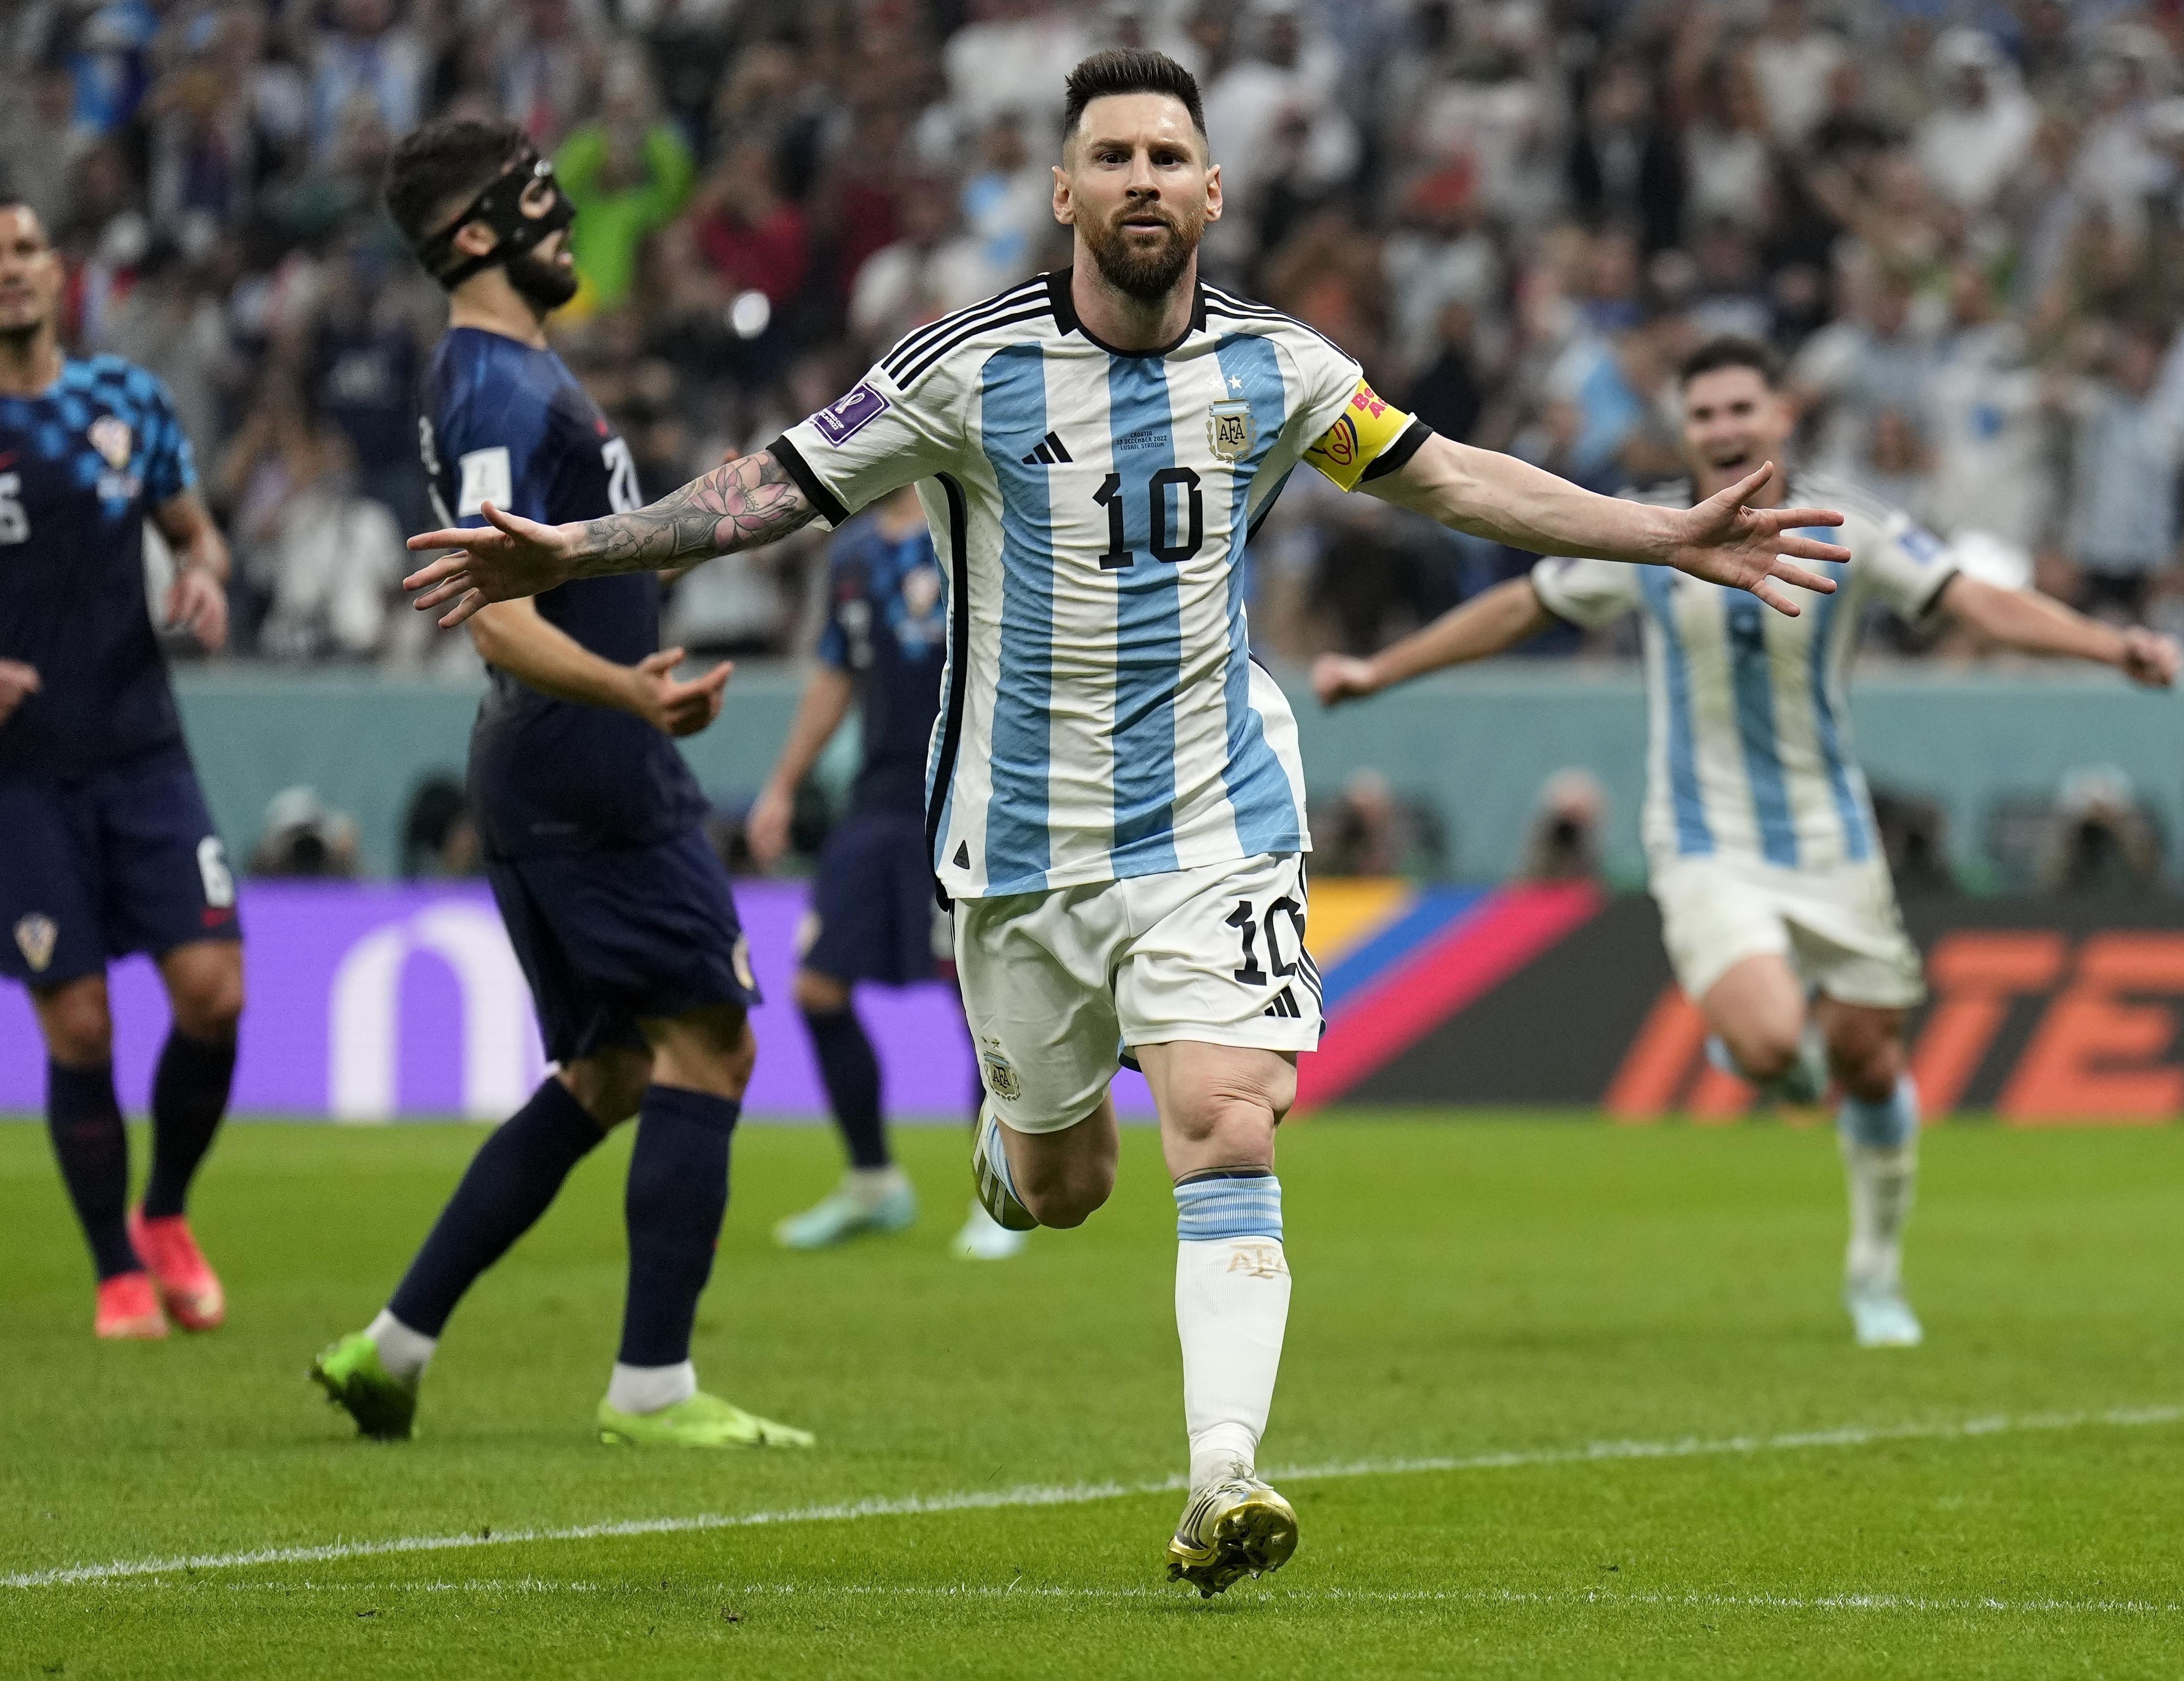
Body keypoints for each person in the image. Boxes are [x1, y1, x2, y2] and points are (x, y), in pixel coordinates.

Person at [402, 51, 1845, 1596]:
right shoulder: (965, 370)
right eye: (1113, 156)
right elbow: (770, 488)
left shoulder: (1280, 370)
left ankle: (1224, 1477)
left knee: (1226, 1117)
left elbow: (1451, 481)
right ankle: (1011, 1140)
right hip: (1020, 847)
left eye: (1168, 156)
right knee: (1065, 1186)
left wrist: (1660, 534)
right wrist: (580, 551)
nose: (1142, 179)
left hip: (1215, 818)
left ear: (1213, 193)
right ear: (1064, 193)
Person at [1314, 336, 2183, 1349]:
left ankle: (1875, 1270)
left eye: (1741, 409)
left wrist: (2109, 646)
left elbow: (1973, 601)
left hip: (1832, 836)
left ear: (1782, 417)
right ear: (1683, 429)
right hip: (1703, 835)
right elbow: (1521, 606)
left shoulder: (1848, 526)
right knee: (1774, 1041)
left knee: (1868, 1062)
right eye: (1705, 413)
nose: (1724, 428)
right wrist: (1378, 672)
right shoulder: (1644, 535)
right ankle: (1769, 1054)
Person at [307, 119, 809, 1453]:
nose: (566, 215)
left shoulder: (524, 374)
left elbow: (581, 560)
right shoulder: (493, 388)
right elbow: (493, 610)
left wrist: (733, 521)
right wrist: (631, 693)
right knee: (710, 1044)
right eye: (538, 198)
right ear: (475, 236)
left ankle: (391, 1348)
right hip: (587, 760)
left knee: (607, 1070)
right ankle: (653, 1386)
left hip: (551, 758)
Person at [0, 189, 243, 1341]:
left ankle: (166, 1213)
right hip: (17, 769)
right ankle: (116, 1267)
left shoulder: (127, 401)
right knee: (79, 1026)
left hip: (144, 750)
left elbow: (195, 530)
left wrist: (202, 573)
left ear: (59, 270)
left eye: (26, 248)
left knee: (215, 994)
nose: (11, 267)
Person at [746, 481, 1018, 1260]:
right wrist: (783, 785)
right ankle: (873, 1181)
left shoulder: (973, 521)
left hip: (967, 799)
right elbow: (837, 672)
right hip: (877, 801)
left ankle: (1001, 1197)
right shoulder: (857, 552)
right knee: (817, 989)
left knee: (980, 1005)